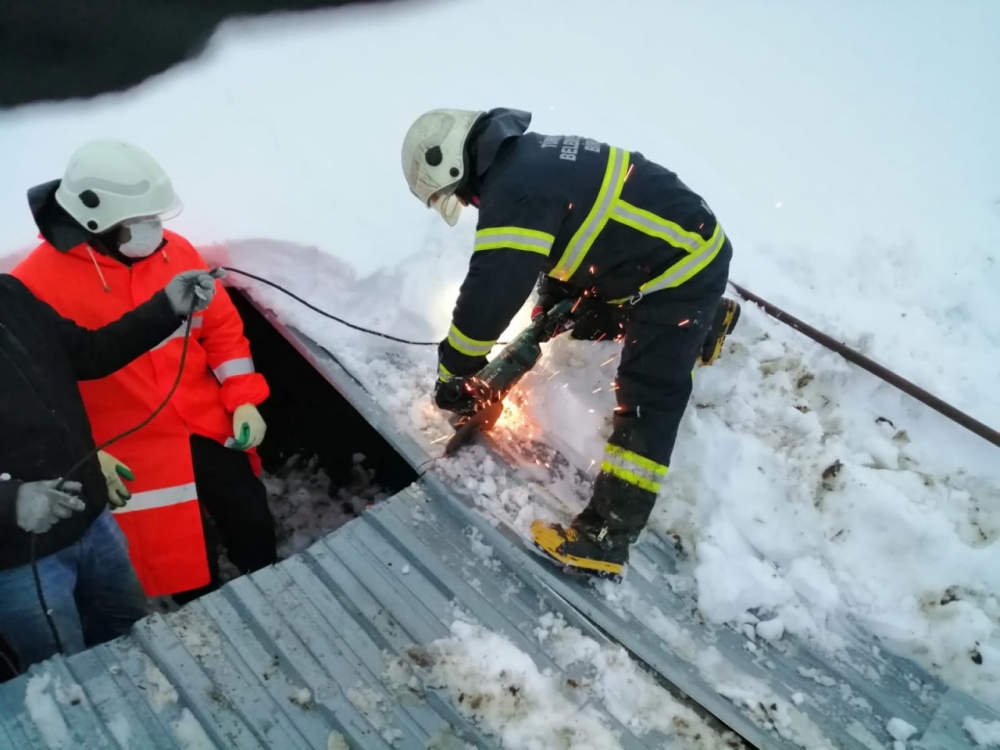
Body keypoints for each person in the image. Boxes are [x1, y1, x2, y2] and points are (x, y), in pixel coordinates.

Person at [401, 108, 741, 579]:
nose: (469, 202)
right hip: (665, 252)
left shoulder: (516, 189)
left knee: (648, 393)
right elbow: (578, 230)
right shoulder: (525, 160)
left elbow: (490, 293)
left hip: (680, 272)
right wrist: (553, 302)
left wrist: (454, 370)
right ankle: (707, 319)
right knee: (587, 320)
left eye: (459, 194)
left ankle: (605, 539)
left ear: (454, 167)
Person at [14, 139, 277, 604]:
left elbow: (222, 331)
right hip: (132, 450)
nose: (154, 231)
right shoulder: (35, 285)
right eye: (139, 222)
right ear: (94, 223)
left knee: (252, 521)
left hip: (204, 422)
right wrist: (83, 452)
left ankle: (276, 594)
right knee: (186, 573)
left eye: (156, 218)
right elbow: (38, 391)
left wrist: (243, 398)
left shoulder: (177, 253)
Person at [0, 265, 219, 671]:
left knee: (131, 636)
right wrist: (10, 502)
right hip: (17, 560)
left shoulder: (8, 292)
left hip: (92, 519)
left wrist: (167, 307)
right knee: (63, 676)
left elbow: (86, 352)